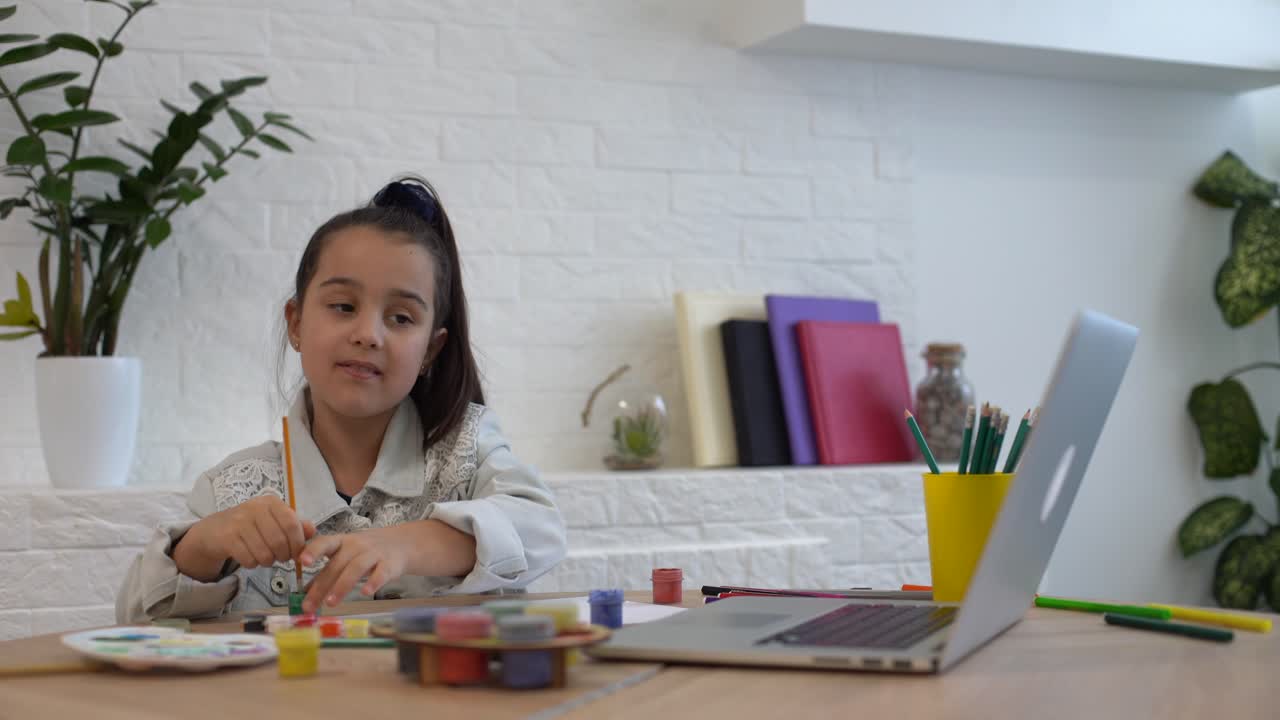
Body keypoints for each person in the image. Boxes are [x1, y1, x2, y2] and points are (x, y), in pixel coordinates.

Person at [116, 177, 566, 622]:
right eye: (343, 307)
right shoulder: (233, 489)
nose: (367, 335)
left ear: (431, 348)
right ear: (296, 323)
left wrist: (408, 545)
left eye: (401, 317)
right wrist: (202, 546)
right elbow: (134, 621)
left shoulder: (467, 450)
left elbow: (542, 529)